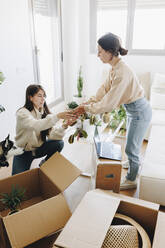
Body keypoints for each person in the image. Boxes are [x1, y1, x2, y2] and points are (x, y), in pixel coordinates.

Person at [72, 32, 152, 190]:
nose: (98, 55)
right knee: (131, 142)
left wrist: (87, 108)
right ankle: (131, 163)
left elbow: (109, 104)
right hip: (133, 110)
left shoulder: (122, 73)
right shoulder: (115, 67)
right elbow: (104, 89)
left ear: (109, 52)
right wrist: (90, 101)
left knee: (131, 147)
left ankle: (131, 179)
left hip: (139, 112)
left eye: (100, 51)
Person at [12, 84, 75, 175]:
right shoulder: (22, 113)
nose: (43, 99)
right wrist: (58, 116)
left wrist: (64, 126)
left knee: (59, 143)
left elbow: (53, 135)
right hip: (22, 152)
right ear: (30, 97)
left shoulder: (44, 114)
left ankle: (44, 163)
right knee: (16, 183)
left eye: (44, 96)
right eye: (39, 96)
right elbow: (36, 125)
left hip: (38, 149)